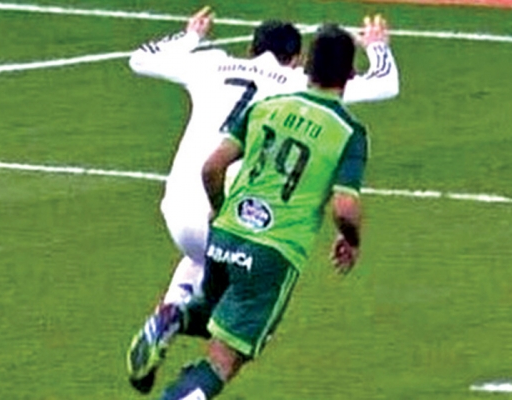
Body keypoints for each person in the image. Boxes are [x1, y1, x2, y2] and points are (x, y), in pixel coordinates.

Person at [125, 7, 398, 394]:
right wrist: (378, 47)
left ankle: (169, 317)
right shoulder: (298, 85)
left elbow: (141, 58)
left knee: (202, 270)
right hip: (255, 226)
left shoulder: (212, 64)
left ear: (251, 49)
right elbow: (385, 84)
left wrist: (190, 36)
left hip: (186, 210)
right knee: (231, 346)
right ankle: (186, 371)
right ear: (297, 59)